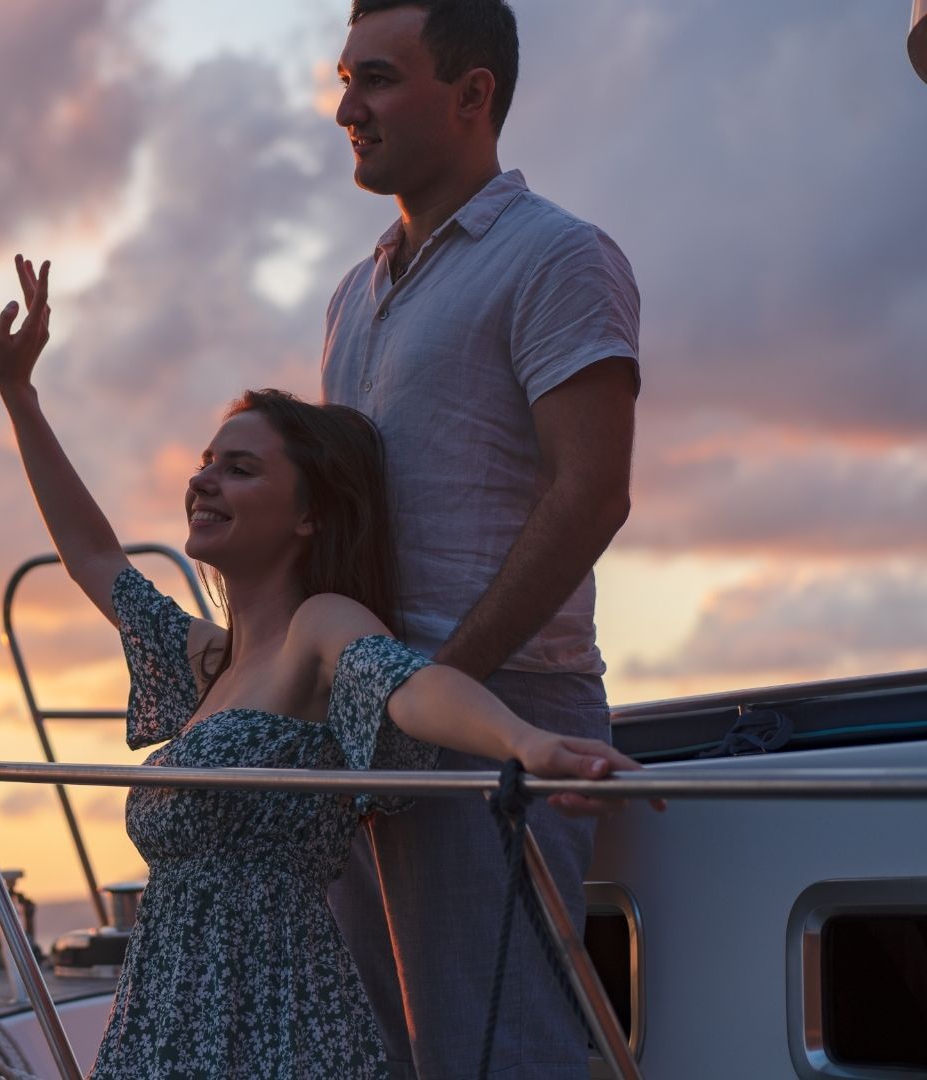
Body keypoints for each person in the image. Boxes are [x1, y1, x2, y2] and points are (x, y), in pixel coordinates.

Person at [0, 253, 641, 1079]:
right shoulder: (206, 662)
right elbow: (91, 553)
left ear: (307, 515)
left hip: (277, 1027)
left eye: (240, 467)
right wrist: (20, 396)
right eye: (205, 461)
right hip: (164, 1021)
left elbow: (410, 684)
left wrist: (521, 741)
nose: (203, 480)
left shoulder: (318, 630)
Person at [320, 1, 642, 1077]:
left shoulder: (559, 257)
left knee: (494, 1055)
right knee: (383, 1058)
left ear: (473, 95)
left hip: (499, 708)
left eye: (377, 78)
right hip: (377, 717)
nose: (346, 109)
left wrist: (438, 691)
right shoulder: (353, 294)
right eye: (345, 78)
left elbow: (592, 494)